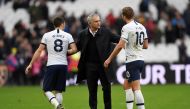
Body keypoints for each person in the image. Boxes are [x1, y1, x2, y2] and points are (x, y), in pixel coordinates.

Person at [25, 17, 77, 109]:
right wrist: (65, 52)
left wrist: (30, 64)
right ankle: (59, 106)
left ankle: (57, 105)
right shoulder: (68, 35)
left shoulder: (47, 35)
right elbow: (74, 49)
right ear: (62, 24)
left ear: (54, 25)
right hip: (63, 65)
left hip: (52, 65)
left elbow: (39, 50)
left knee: (46, 89)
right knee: (58, 91)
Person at [104, 7, 148, 109]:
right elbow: (146, 46)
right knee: (126, 85)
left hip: (132, 61)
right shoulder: (142, 27)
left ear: (123, 16)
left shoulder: (126, 27)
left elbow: (120, 45)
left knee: (136, 88)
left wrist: (109, 59)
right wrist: (132, 45)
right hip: (140, 59)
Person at [76, 13, 120, 109]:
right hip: (90, 66)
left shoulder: (106, 32)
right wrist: (64, 52)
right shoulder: (82, 34)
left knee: (107, 89)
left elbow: (119, 40)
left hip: (104, 66)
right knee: (92, 91)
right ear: (90, 23)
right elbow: (76, 48)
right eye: (96, 21)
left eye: (99, 20)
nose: (99, 23)